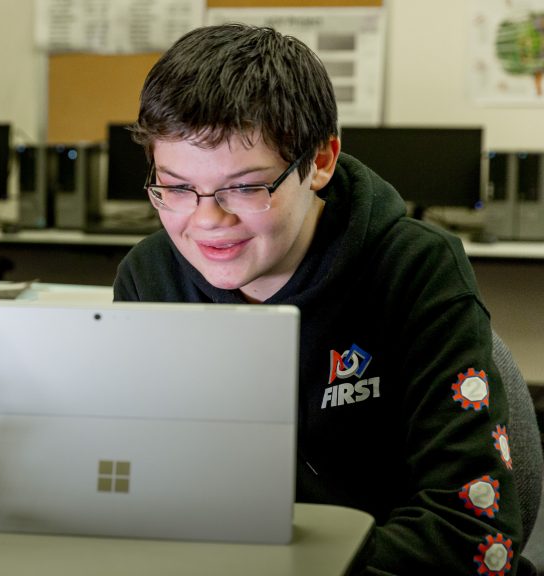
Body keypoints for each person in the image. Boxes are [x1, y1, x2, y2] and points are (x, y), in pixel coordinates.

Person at [114, 24, 534, 574]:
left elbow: (476, 535)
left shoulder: (412, 268)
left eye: (245, 187)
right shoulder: (149, 278)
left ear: (320, 161)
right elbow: (134, 489)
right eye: (175, 187)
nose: (207, 220)